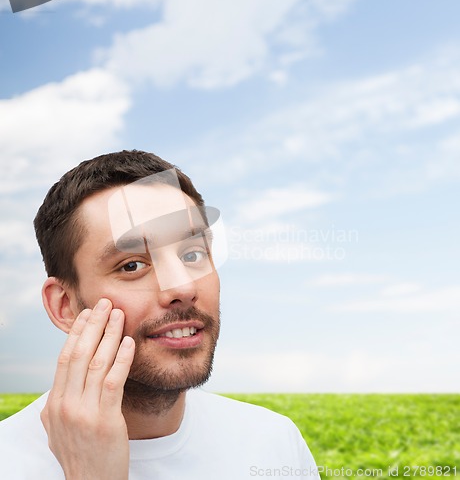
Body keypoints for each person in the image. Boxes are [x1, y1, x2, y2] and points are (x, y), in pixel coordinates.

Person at [0, 150, 320, 479]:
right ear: (64, 306)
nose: (181, 287)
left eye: (193, 253)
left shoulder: (274, 442)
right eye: (132, 265)